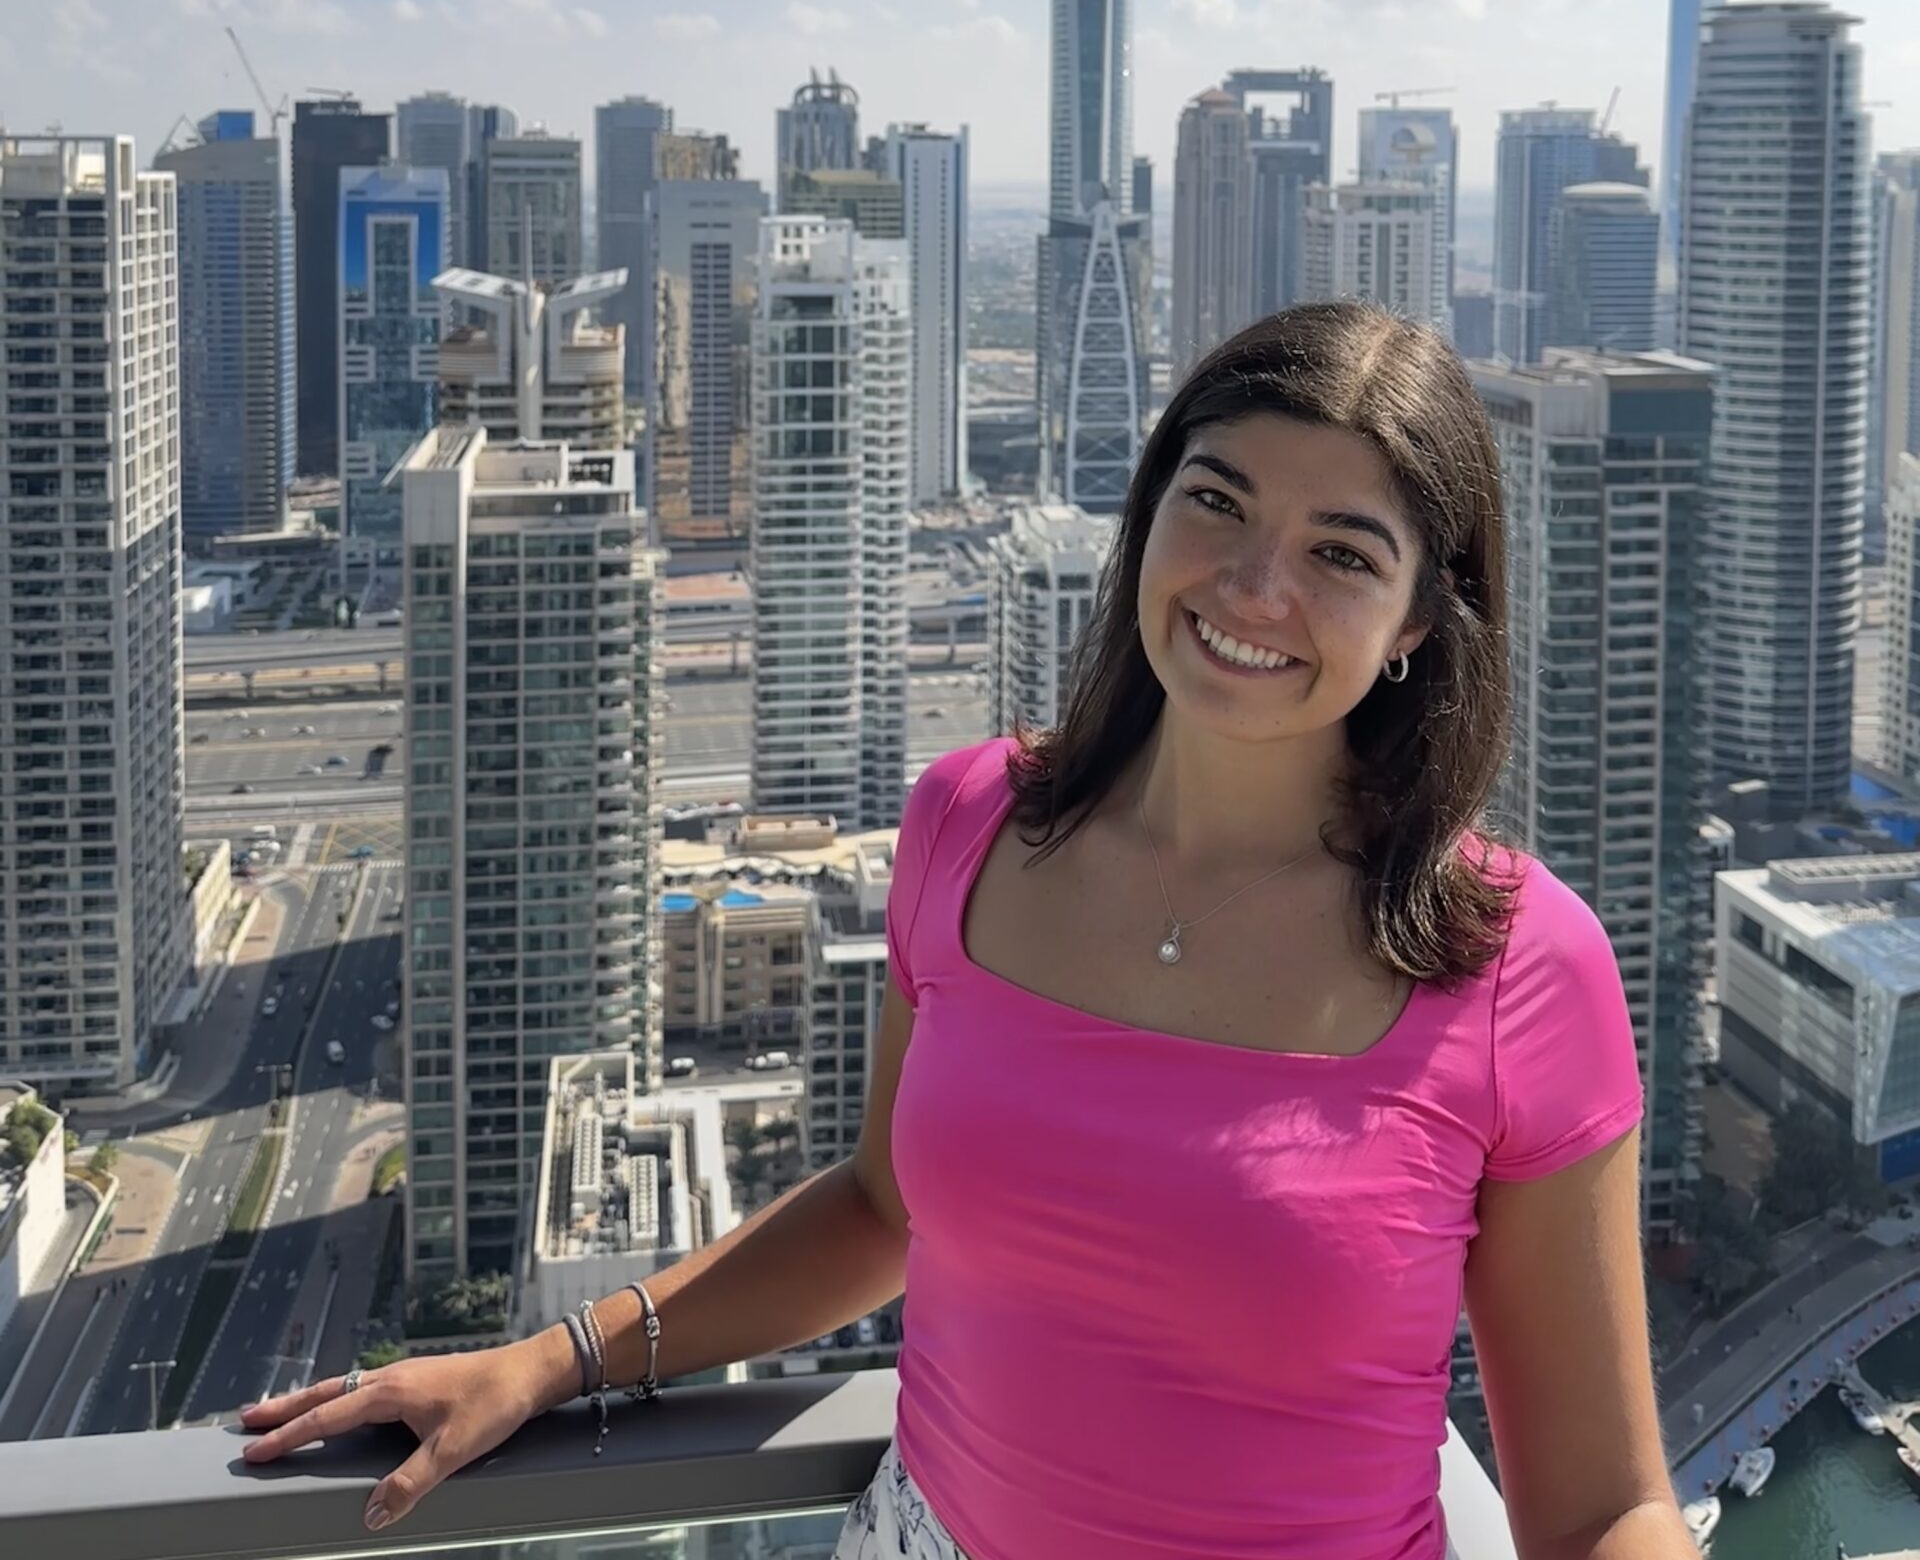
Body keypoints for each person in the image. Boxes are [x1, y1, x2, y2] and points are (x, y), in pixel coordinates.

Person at [237, 305, 1694, 1556]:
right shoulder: (972, 822)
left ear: (1422, 622)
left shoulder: (1515, 967)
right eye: (1219, 501)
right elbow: (885, 1209)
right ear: (1149, 514)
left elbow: (1600, 1507)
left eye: (1344, 553)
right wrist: (553, 1362)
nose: (1257, 588)